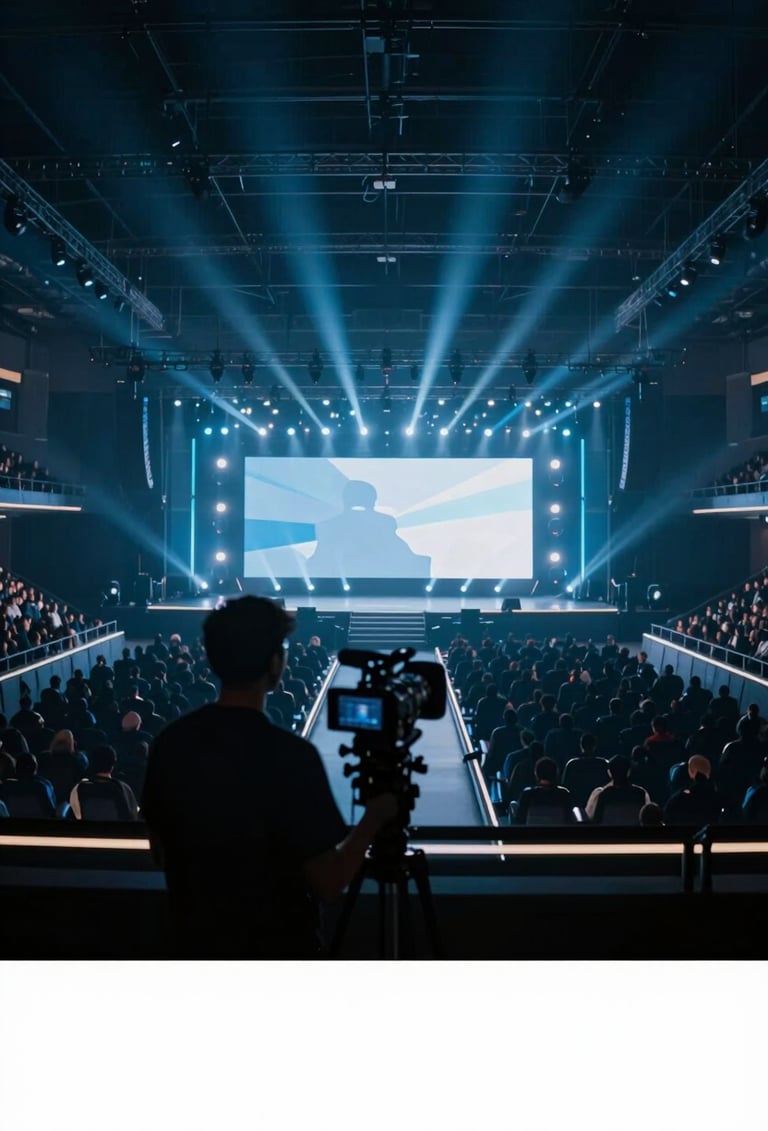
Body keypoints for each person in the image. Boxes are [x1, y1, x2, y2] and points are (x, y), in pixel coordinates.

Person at [142, 595, 396, 958]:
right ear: (275, 664)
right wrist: (375, 816)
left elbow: (159, 853)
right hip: (281, 949)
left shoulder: (169, 744)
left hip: (191, 945)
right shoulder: (292, 758)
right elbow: (329, 883)